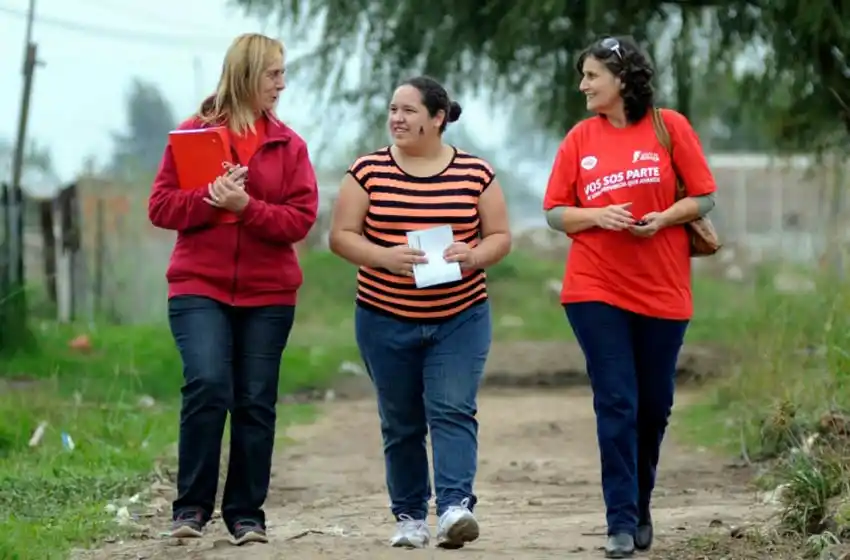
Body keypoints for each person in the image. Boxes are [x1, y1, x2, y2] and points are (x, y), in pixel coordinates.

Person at [542, 36, 718, 559]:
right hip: (594, 287)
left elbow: (704, 193)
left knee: (654, 406)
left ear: (622, 78)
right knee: (616, 399)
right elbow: (554, 212)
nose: (583, 86)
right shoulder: (579, 138)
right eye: (583, 76)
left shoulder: (670, 126)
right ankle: (619, 521)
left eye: (592, 75)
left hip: (664, 288)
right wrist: (598, 215)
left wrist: (664, 217)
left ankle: (640, 503)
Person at [147, 32, 319, 546]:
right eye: (273, 74)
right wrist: (209, 200)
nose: (282, 85)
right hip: (199, 286)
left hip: (269, 294)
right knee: (207, 384)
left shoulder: (289, 145)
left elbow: (299, 220)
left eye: (283, 74)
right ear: (245, 74)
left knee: (255, 400)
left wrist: (249, 209)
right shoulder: (191, 135)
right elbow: (160, 207)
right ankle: (191, 508)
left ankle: (246, 513)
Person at [328, 75, 511, 549]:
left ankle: (454, 508)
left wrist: (472, 255)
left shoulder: (476, 174)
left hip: (460, 316)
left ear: (438, 118)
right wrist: (384, 256)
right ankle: (410, 516)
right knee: (401, 419)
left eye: (408, 110)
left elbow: (499, 237)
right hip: (384, 316)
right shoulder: (367, 171)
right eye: (392, 109)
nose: (396, 119)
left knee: (452, 409)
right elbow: (341, 235)